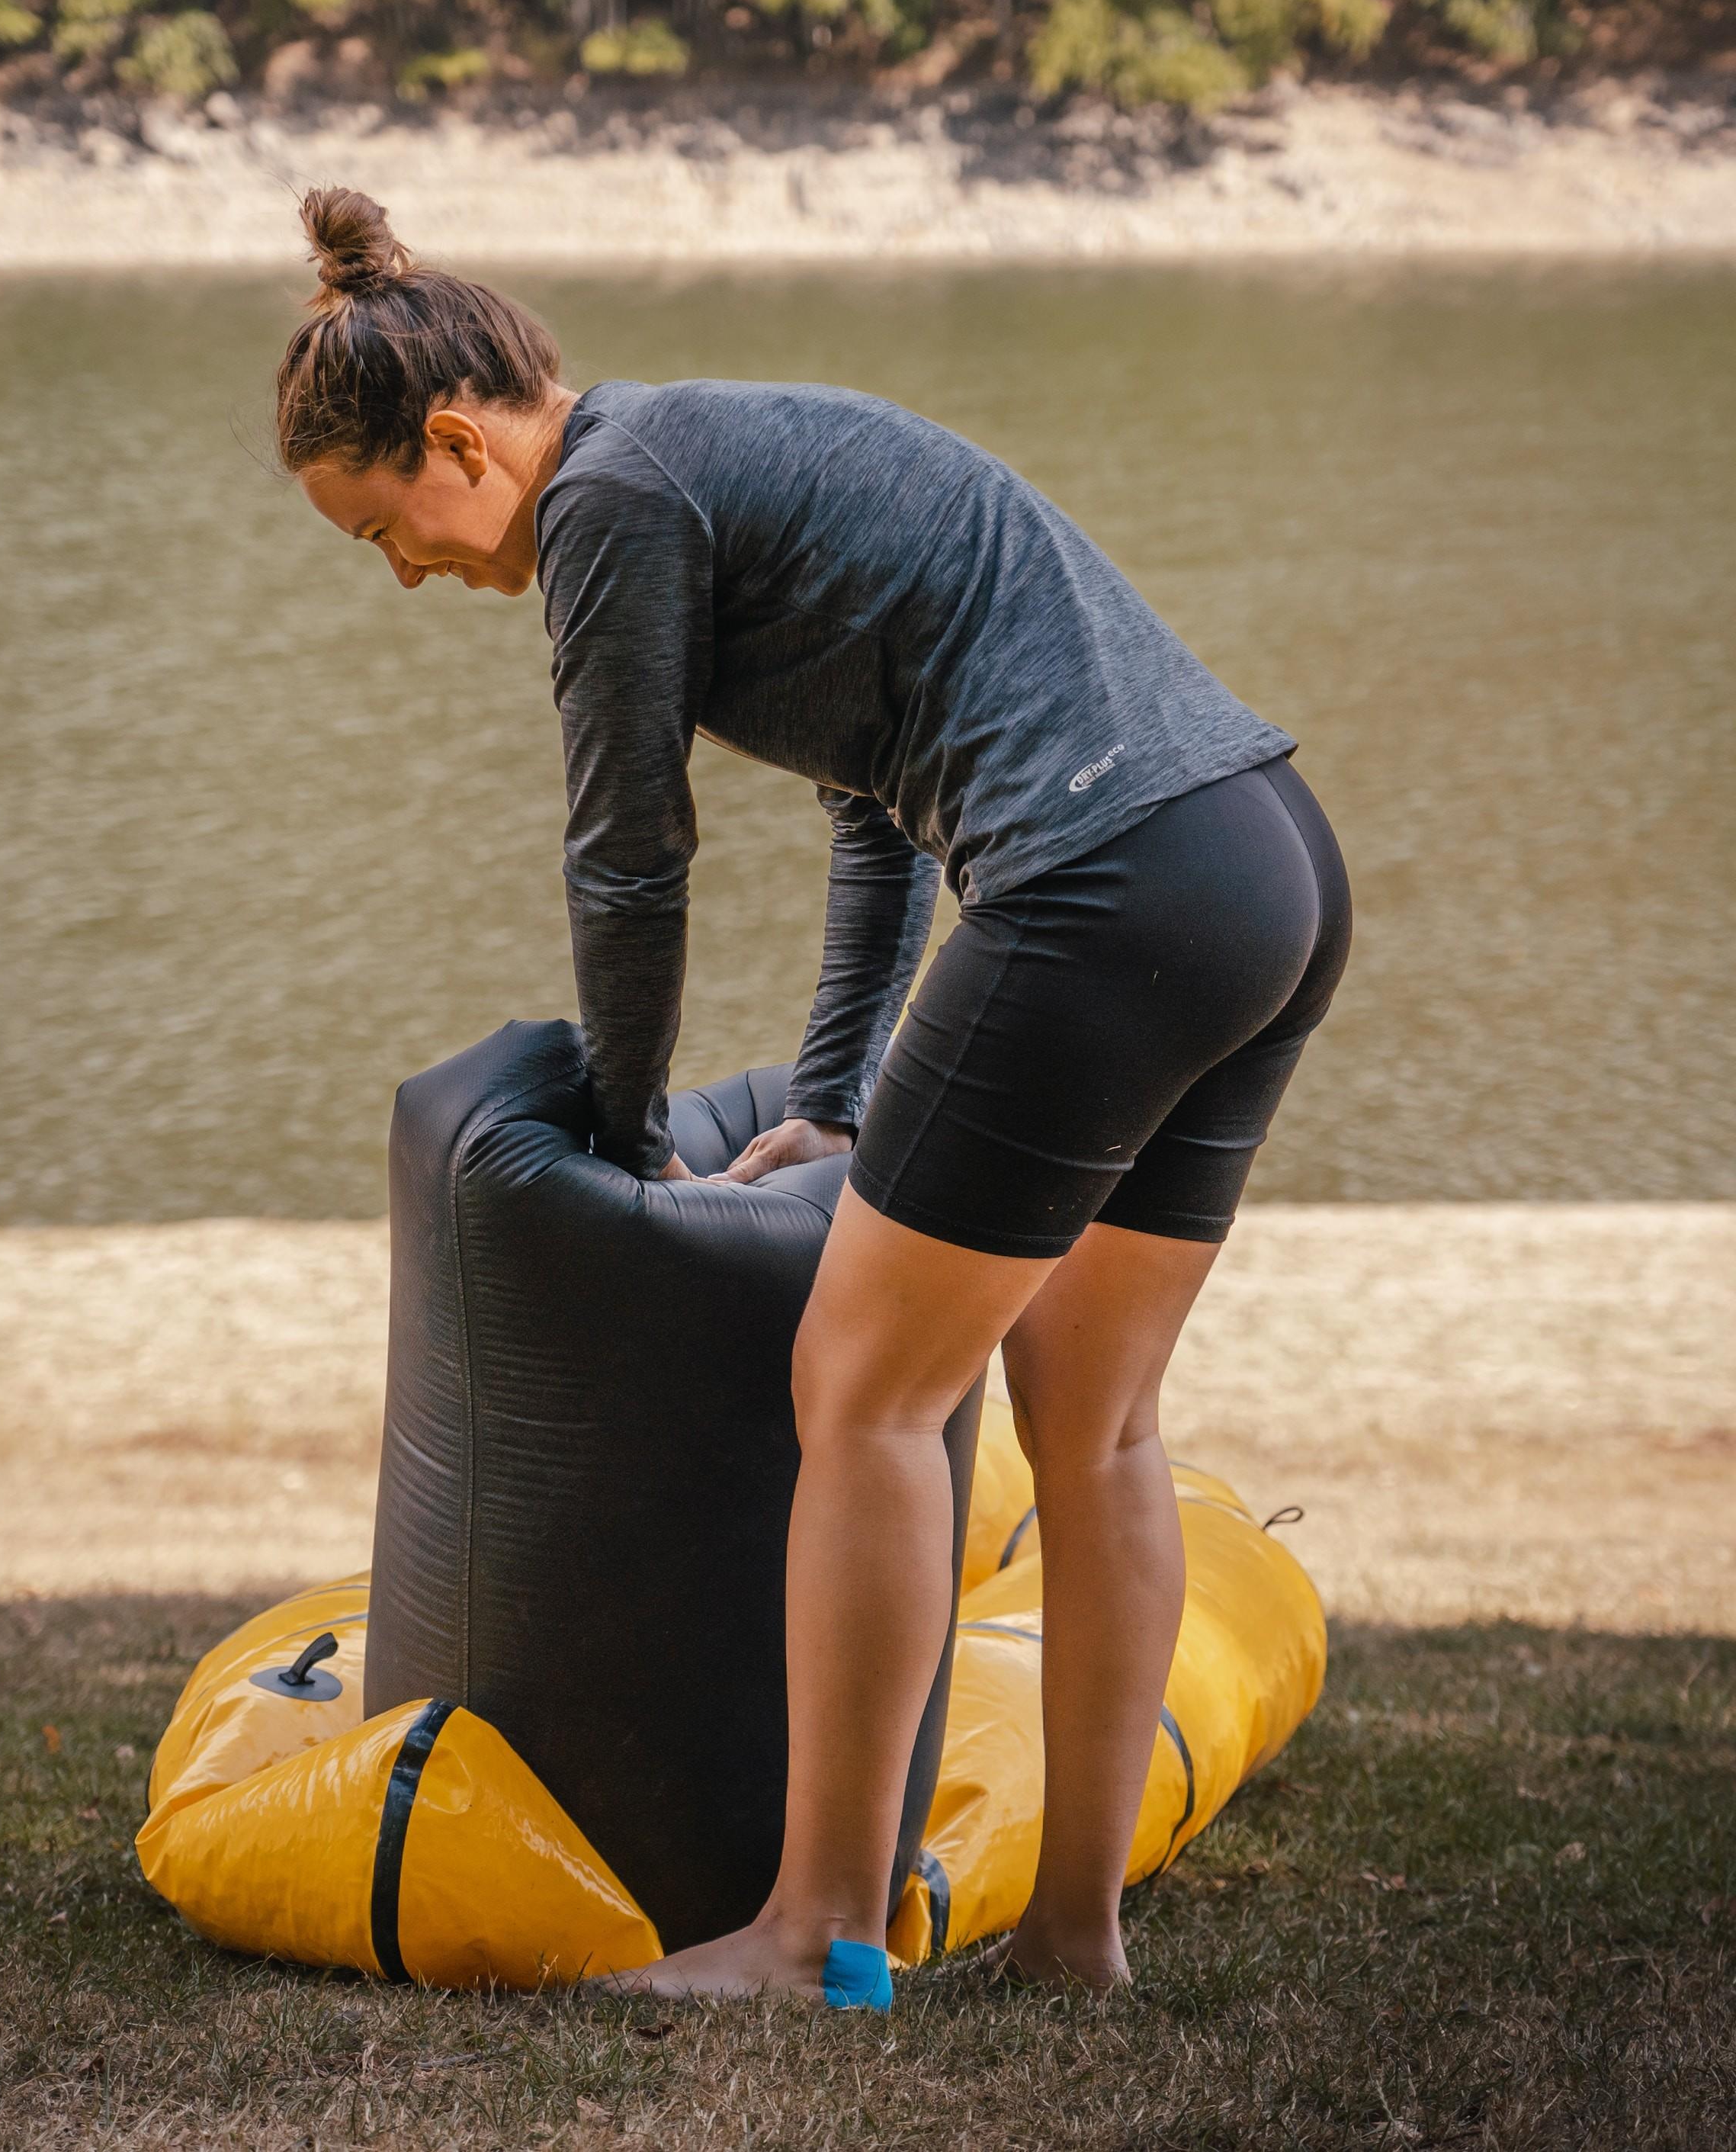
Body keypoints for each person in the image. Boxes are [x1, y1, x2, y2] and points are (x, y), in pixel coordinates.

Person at [278, 186, 1352, 2003]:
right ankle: (1075, 1949)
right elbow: (879, 805)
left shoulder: (613, 501)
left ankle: (816, 1933)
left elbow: (629, 854)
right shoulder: (705, 451)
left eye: (389, 525)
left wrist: (615, 1148)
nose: (403, 572)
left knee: (858, 1389)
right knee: (1093, 1430)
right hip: (1257, 862)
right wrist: (842, 1101)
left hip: (1099, 875)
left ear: (462, 439)